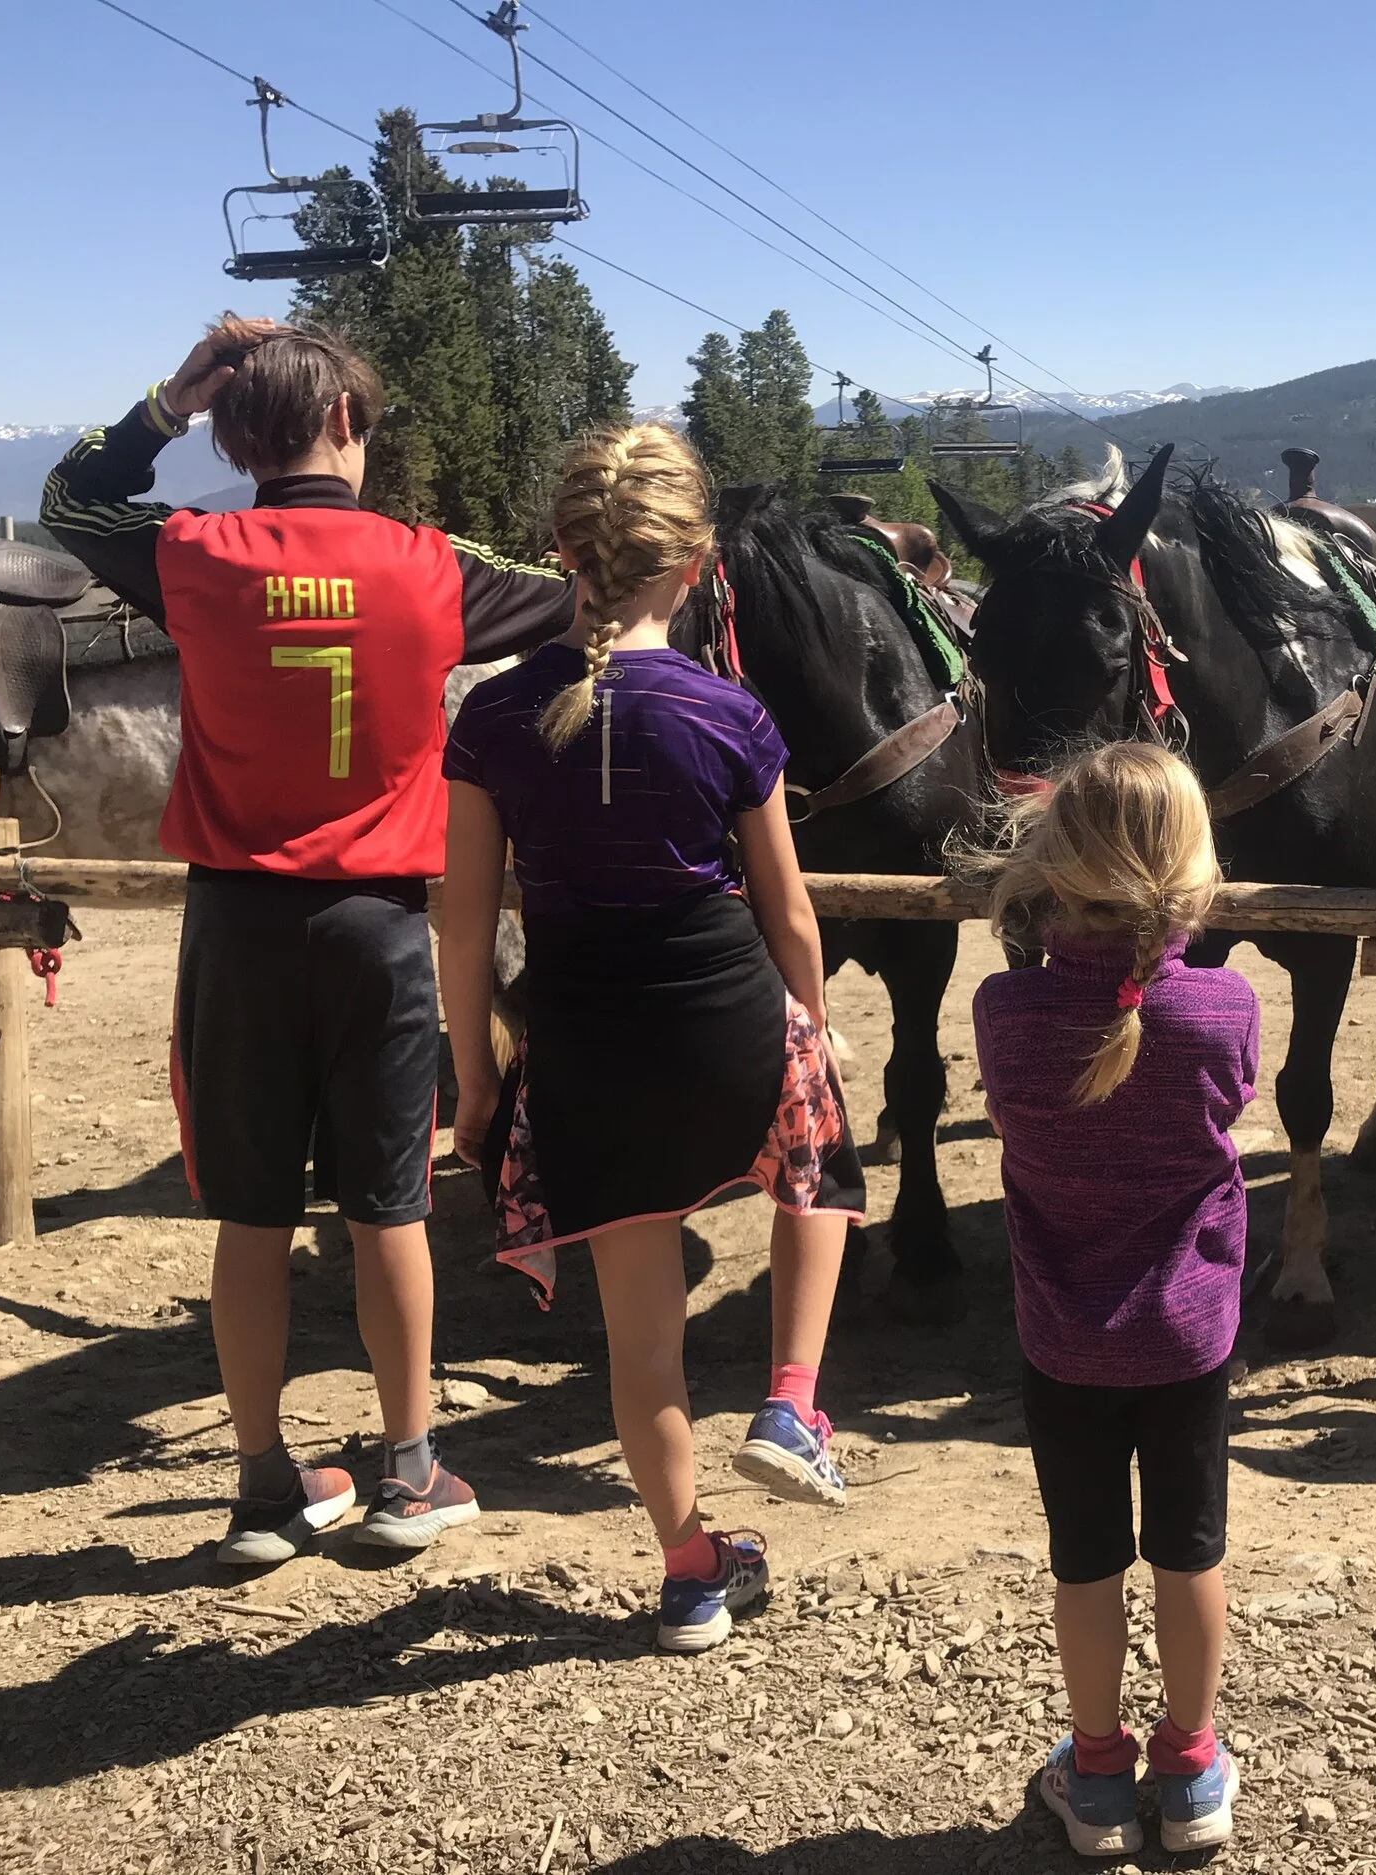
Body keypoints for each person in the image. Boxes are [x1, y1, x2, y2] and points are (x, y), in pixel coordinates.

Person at [42, 318, 577, 1565]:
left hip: (236, 929)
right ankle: (410, 1472)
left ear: (234, 432)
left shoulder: (193, 554)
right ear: (344, 420)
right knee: (390, 1208)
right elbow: (577, 592)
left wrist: (166, 404)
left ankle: (262, 1490)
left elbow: (72, 501)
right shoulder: (430, 565)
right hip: (380, 929)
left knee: (249, 1217)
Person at [440, 423, 864, 1653]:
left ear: (561, 551)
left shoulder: (494, 715)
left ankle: (690, 1572)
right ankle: (792, 1403)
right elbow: (788, 913)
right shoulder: (727, 711)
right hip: (724, 1010)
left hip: (585, 1037)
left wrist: (477, 1084)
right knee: (819, 1173)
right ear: (696, 564)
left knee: (641, 1338)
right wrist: (813, 1028)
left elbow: (463, 924)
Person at [970, 744, 1257, 1856]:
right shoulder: (1224, 1007)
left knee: (1083, 1560)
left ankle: (1095, 1776)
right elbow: (1231, 1098)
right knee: (1192, 1550)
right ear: (1193, 874)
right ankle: (1190, 1769)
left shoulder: (1005, 1011)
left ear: (1054, 864)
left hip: (1062, 1341)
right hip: (1187, 1337)